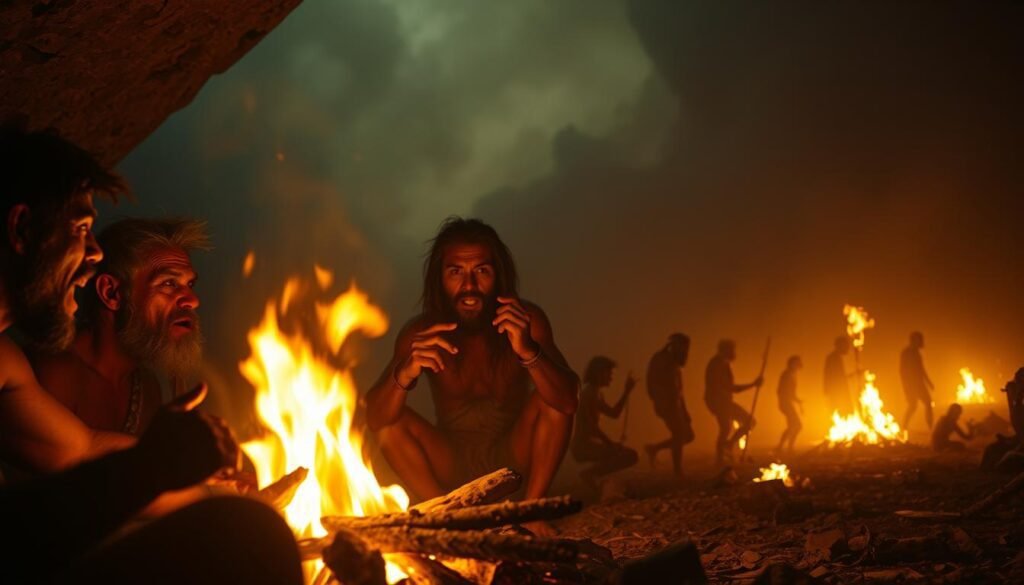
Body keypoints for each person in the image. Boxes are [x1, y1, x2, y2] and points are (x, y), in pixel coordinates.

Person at [0, 126, 301, 583]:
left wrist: (202, 482)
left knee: (249, 527)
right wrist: (156, 469)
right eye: (81, 228)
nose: (94, 252)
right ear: (22, 228)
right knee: (250, 537)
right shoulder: (47, 368)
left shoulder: (7, 364)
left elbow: (84, 449)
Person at [365, 217, 579, 521]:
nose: (469, 286)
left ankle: (531, 512)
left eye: (481, 271)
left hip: (512, 460)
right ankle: (444, 515)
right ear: (439, 278)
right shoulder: (421, 333)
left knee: (551, 399)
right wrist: (405, 372)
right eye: (456, 272)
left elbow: (567, 402)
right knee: (390, 421)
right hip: (451, 463)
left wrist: (529, 351)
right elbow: (375, 419)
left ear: (498, 275)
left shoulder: (526, 321)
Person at [32, 218, 209, 435]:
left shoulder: (146, 388)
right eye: (169, 283)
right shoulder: (52, 374)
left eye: (190, 284)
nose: (192, 300)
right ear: (111, 293)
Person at [571, 356, 638, 489]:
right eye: (609, 374)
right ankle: (590, 474)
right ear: (599, 373)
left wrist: (626, 391)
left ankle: (593, 477)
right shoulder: (589, 394)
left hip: (590, 444)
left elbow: (614, 413)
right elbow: (591, 427)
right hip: (583, 446)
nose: (611, 378)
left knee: (629, 455)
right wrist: (610, 444)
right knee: (629, 456)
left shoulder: (595, 393)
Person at [643, 333, 694, 479]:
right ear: (675, 345)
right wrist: (661, 401)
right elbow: (652, 383)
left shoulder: (675, 362)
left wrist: (684, 410)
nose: (686, 351)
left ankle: (653, 448)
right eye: (684, 347)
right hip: (666, 404)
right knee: (679, 434)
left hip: (675, 405)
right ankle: (678, 471)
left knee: (688, 436)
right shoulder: (660, 359)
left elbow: (679, 390)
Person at [704, 339, 763, 465]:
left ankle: (725, 450)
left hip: (722, 401)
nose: (734, 353)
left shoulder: (722, 363)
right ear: (725, 350)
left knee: (730, 427)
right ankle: (723, 453)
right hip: (718, 401)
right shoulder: (717, 364)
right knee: (731, 426)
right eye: (732, 350)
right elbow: (730, 387)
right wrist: (753, 384)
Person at [900, 331, 935, 430]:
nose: (922, 342)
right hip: (911, 384)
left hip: (919, 384)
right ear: (914, 340)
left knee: (927, 403)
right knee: (913, 406)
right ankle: (904, 426)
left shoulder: (916, 353)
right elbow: (902, 370)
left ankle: (930, 427)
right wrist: (906, 385)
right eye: (920, 339)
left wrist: (929, 382)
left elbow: (921, 369)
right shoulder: (906, 353)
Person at [775, 355, 803, 454]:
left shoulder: (792, 374)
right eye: (797, 362)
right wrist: (785, 401)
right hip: (785, 403)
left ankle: (783, 447)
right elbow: (781, 390)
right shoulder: (786, 375)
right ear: (792, 364)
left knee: (793, 426)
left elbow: (791, 393)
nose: (799, 365)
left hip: (787, 403)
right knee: (797, 425)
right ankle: (787, 447)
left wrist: (798, 401)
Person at [823, 336, 856, 417]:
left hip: (838, 391)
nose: (848, 348)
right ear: (840, 345)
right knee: (842, 412)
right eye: (846, 346)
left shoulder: (836, 358)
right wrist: (827, 391)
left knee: (844, 413)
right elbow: (829, 376)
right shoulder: (832, 358)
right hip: (837, 392)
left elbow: (837, 376)